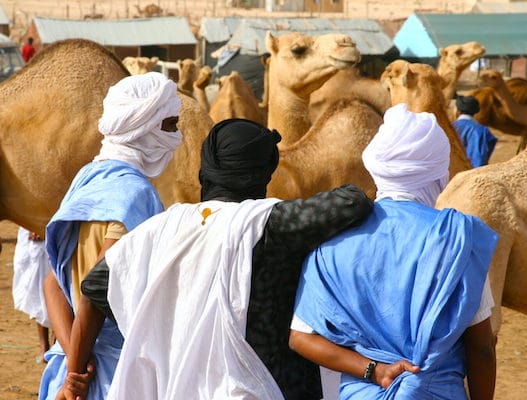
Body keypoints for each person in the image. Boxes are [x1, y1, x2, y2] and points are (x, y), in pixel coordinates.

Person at [73, 118, 374, 400]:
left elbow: (93, 290)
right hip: (263, 387)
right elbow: (353, 200)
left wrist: (74, 373)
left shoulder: (160, 229)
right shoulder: (272, 224)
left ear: (207, 168)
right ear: (265, 172)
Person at [289, 103, 499, 400]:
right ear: (438, 170)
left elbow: (300, 337)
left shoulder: (334, 239)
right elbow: (481, 349)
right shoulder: (458, 239)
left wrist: (373, 369)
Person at [39, 71, 182, 400]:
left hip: (73, 361)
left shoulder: (89, 177)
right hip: (110, 375)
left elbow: (52, 282)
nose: (178, 137)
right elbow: (97, 287)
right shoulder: (133, 193)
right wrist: (76, 376)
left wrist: (71, 357)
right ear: (144, 127)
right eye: (170, 125)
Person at [12, 227, 52, 364]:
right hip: (32, 234)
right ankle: (45, 348)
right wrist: (33, 225)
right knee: (38, 291)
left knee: (60, 287)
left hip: (59, 224)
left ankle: (58, 347)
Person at [452, 95, 497, 167]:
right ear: (476, 111)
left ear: (458, 111)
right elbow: (479, 157)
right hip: (472, 173)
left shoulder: (449, 127)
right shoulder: (482, 130)